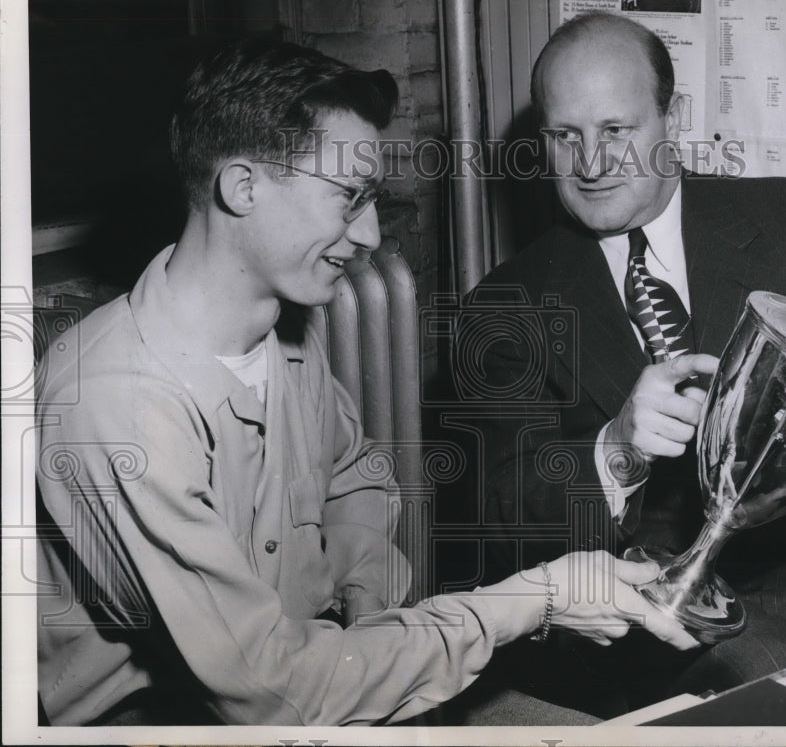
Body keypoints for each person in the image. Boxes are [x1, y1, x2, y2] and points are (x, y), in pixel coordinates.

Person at [33, 38, 699, 727]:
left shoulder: (286, 326)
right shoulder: (118, 402)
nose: (373, 232)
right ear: (243, 188)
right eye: (350, 198)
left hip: (333, 684)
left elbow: (354, 476)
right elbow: (272, 694)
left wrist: (371, 610)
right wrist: (538, 597)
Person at [458, 11, 786, 715]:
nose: (591, 164)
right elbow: (503, 516)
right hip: (657, 613)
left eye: (616, 131)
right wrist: (616, 449)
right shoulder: (505, 304)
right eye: (566, 137)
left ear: (672, 118)